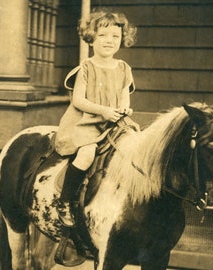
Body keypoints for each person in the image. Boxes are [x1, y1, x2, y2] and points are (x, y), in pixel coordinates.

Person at [53, 9, 137, 265]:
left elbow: (125, 98)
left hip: (114, 122)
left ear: (123, 38)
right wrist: (103, 111)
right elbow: (78, 100)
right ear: (91, 38)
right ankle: (66, 201)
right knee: (88, 153)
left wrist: (124, 110)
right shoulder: (86, 67)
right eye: (103, 35)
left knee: (135, 146)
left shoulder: (123, 68)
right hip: (87, 122)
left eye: (115, 35)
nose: (109, 40)